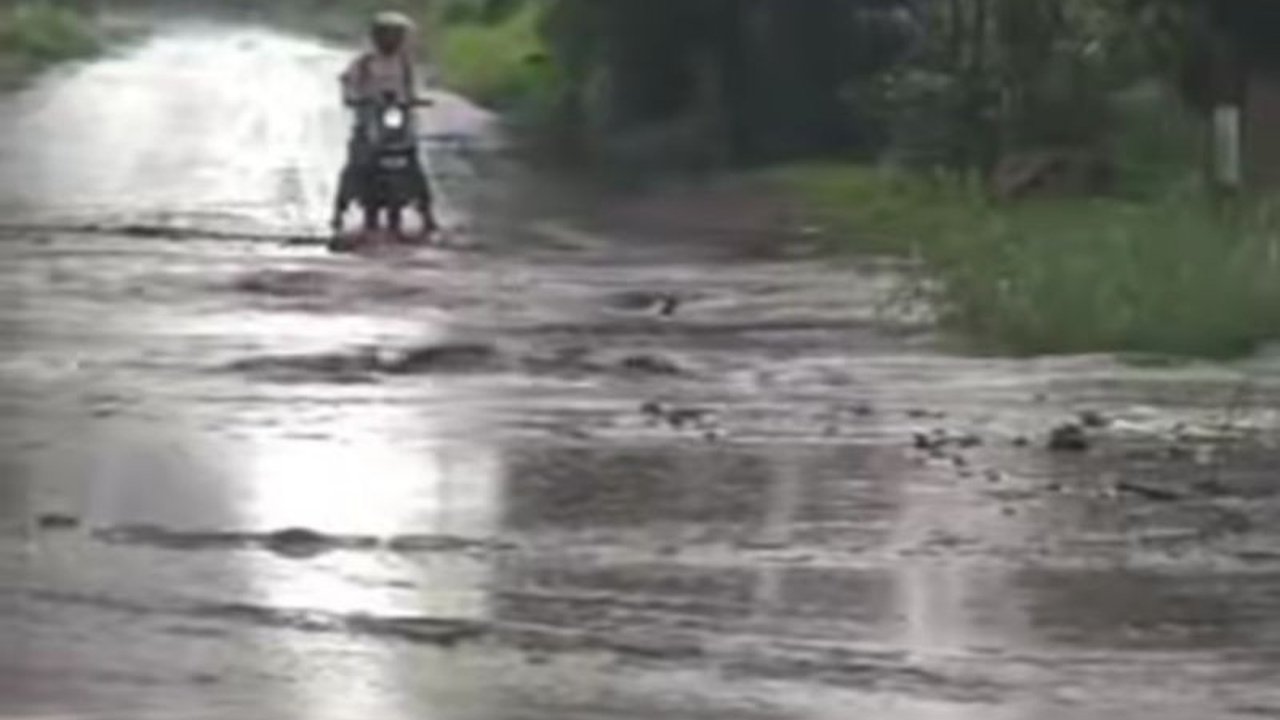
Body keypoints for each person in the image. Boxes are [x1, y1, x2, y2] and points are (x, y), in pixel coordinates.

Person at [331, 11, 437, 234]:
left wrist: (416, 101)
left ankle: (426, 212)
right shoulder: (364, 63)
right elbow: (347, 83)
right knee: (356, 163)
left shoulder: (404, 64)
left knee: (414, 165)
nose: (393, 40)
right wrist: (353, 98)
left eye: (397, 36)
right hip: (370, 122)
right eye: (388, 35)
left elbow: (410, 90)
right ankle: (339, 209)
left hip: (398, 122)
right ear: (377, 37)